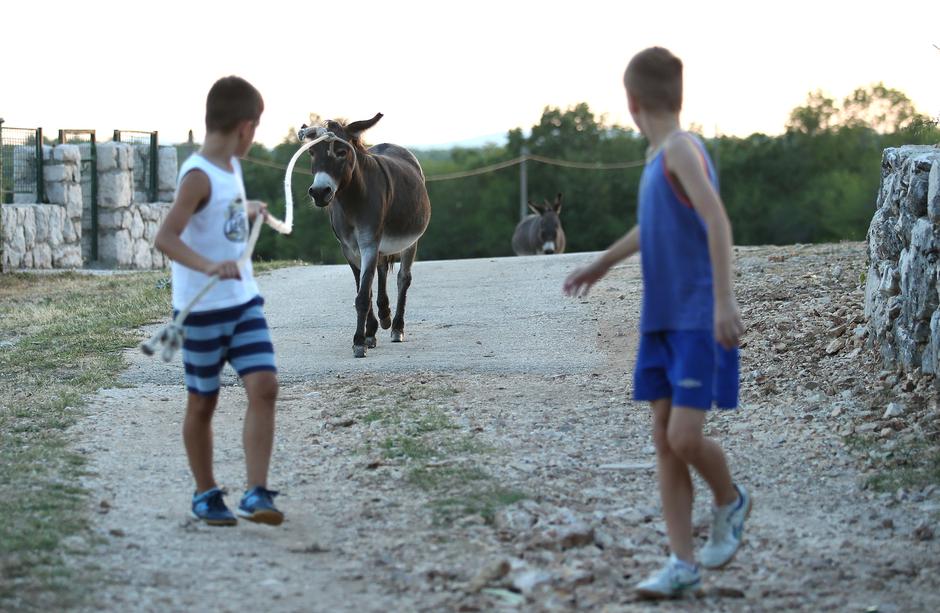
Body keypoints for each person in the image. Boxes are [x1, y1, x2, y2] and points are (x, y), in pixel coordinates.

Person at [563, 47, 750, 598]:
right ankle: (682, 564)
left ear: (631, 101)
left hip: (696, 320)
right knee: (664, 443)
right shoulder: (656, 161)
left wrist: (724, 300)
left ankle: (730, 500)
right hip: (661, 323)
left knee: (684, 437)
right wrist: (601, 263)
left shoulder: (681, 150)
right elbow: (650, 227)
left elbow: (716, 218)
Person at [155, 76, 283, 527]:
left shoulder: (231, 167)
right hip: (202, 312)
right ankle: (206, 493)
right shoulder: (196, 175)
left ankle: (256, 493)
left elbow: (220, 214)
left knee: (264, 385)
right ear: (246, 126)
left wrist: (248, 210)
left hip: (244, 301)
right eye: (258, 127)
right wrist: (209, 265)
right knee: (202, 403)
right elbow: (165, 238)